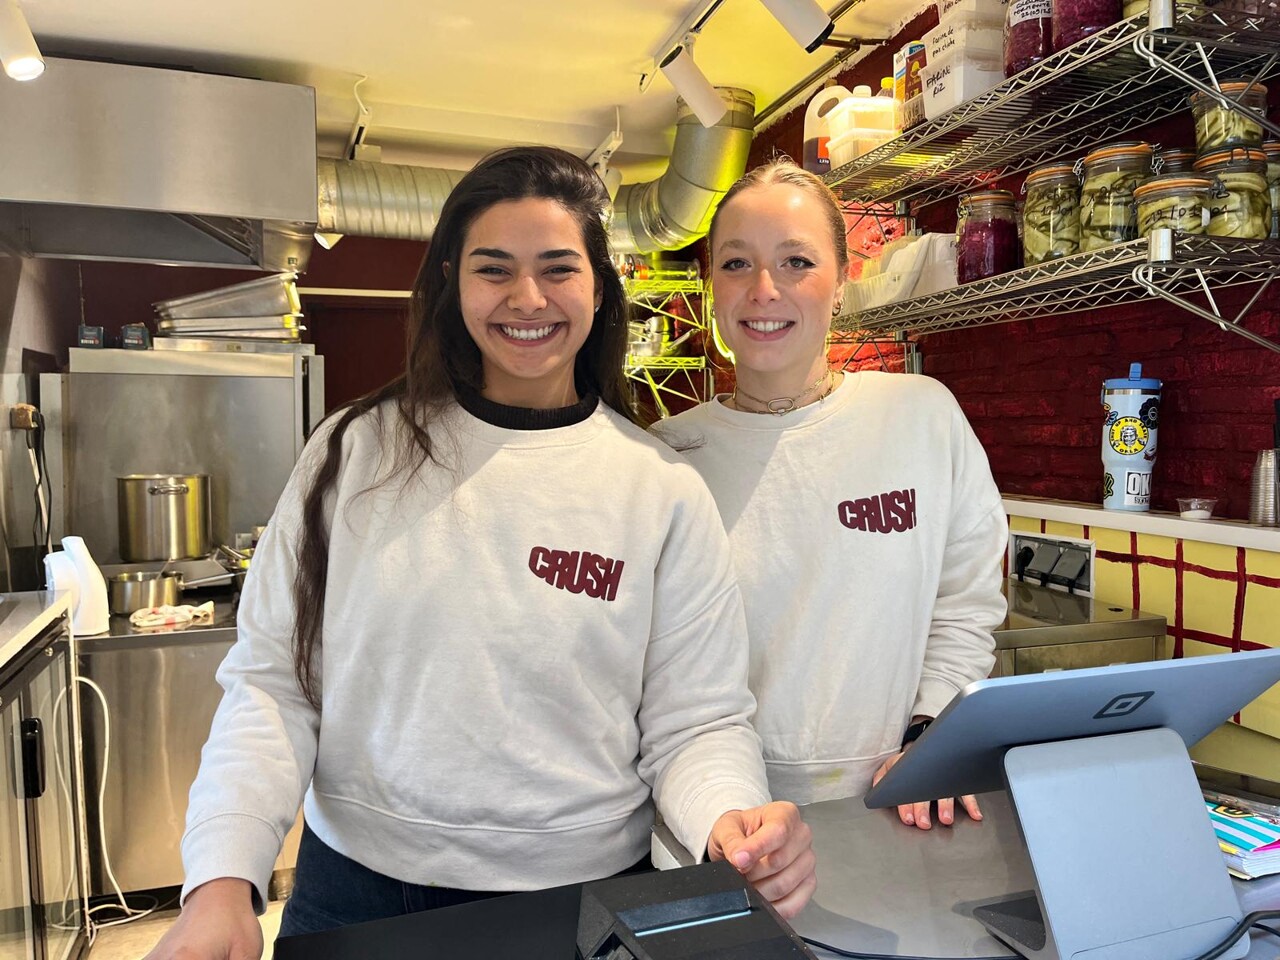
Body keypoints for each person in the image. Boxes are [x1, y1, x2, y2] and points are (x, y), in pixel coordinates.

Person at [145, 147, 814, 960]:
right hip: (356, 892)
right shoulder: (354, 453)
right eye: (494, 269)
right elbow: (272, 687)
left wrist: (730, 816)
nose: (527, 298)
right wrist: (221, 883)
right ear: (451, 285)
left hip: (579, 901)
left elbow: (695, 722)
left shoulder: (659, 488)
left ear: (599, 289)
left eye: (558, 269)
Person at [653, 160, 1007, 830]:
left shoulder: (921, 418)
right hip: (726, 819)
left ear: (841, 282)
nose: (764, 289)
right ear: (710, 285)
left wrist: (931, 735)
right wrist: (721, 812)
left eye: (796, 261)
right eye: (736, 264)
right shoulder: (666, 457)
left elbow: (965, 609)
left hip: (904, 802)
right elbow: (662, 676)